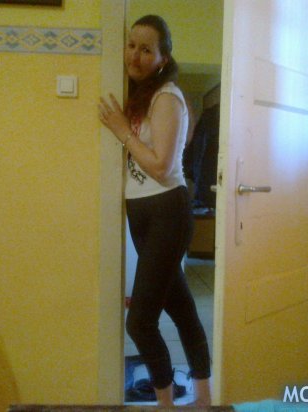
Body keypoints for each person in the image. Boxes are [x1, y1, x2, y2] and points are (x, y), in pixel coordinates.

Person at [98, 15, 212, 407]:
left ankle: (165, 404)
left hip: (166, 210)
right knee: (182, 308)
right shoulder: (139, 95)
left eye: (147, 49)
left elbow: (162, 166)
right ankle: (203, 399)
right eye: (131, 45)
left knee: (140, 321)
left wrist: (122, 131)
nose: (135, 55)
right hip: (143, 213)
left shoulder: (167, 97)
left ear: (163, 58)